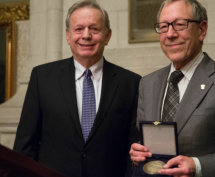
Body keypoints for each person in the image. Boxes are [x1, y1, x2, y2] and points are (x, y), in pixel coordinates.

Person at [129, 0, 215, 176]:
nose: (170, 34)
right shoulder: (147, 84)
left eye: (179, 24)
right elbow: (147, 141)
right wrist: (138, 153)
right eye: (163, 26)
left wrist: (198, 166)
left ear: (202, 30)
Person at [13, 1, 141, 177]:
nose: (86, 35)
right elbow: (25, 147)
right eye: (78, 29)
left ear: (107, 36)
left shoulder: (132, 83)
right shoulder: (42, 78)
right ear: (68, 36)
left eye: (94, 29)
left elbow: (134, 150)